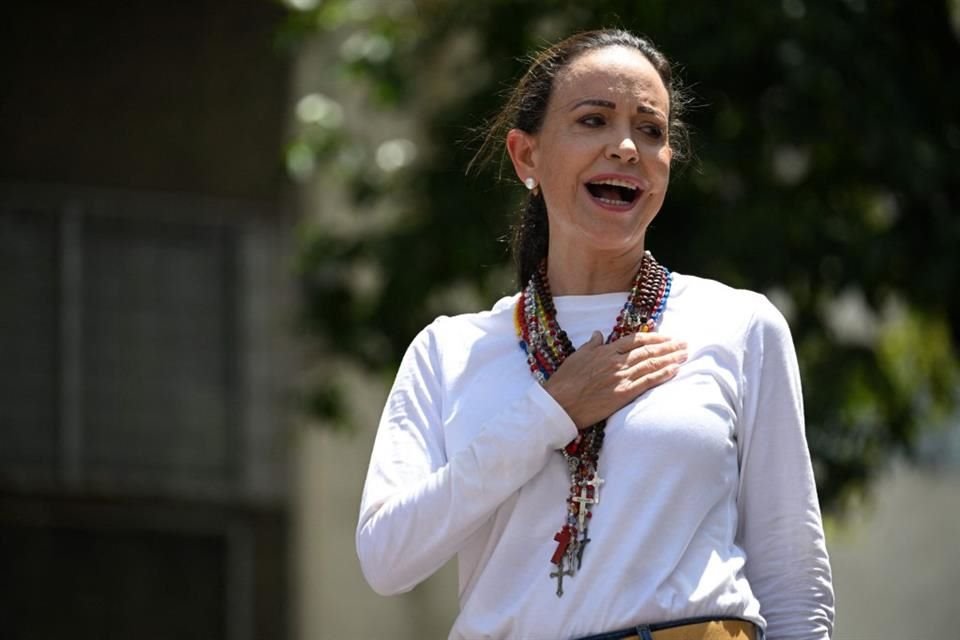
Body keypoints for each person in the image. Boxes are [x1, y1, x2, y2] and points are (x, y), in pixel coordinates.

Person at [356, 28, 834, 640]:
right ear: (526, 156)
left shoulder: (738, 324)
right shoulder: (449, 351)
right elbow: (386, 557)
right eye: (594, 120)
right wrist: (548, 413)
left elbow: (794, 578)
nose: (627, 147)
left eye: (651, 130)